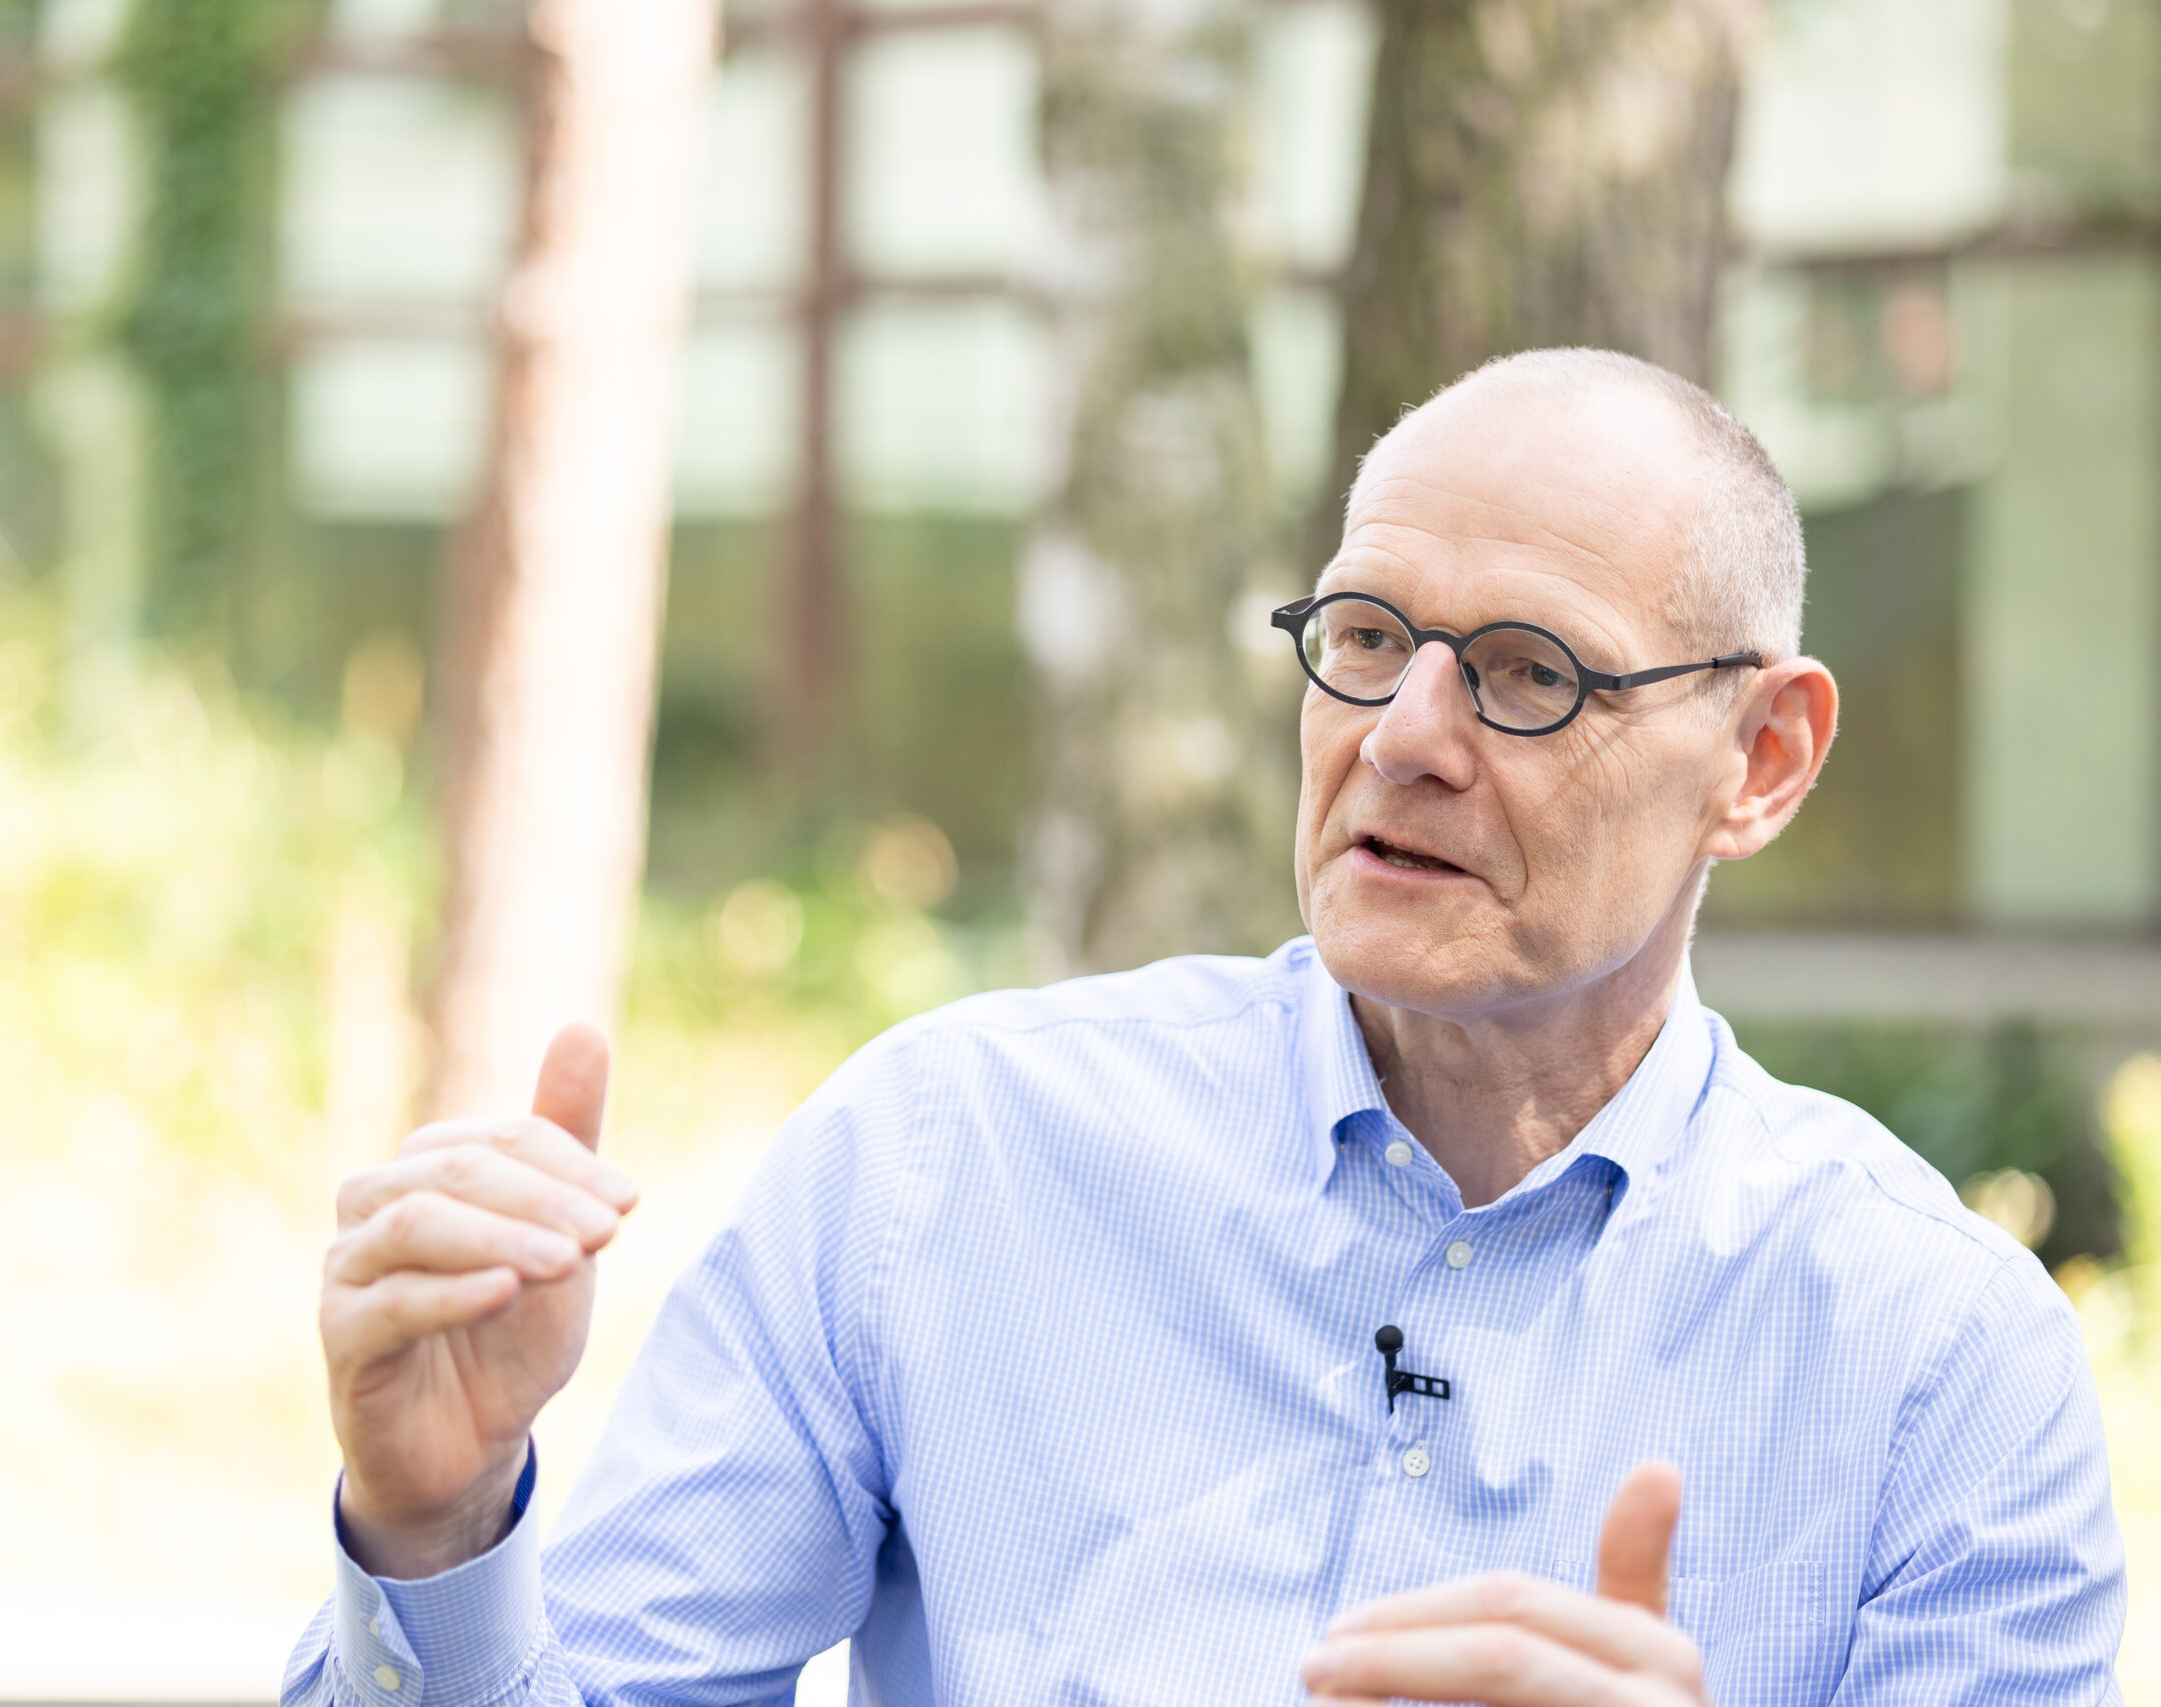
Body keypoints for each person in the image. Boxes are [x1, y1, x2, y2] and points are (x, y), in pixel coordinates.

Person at [287, 349, 2124, 1706]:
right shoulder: (953, 1153)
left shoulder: (1938, 1374)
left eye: (1525, 673)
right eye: (1366, 633)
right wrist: (438, 1532)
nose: (1402, 734)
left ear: (1765, 759)